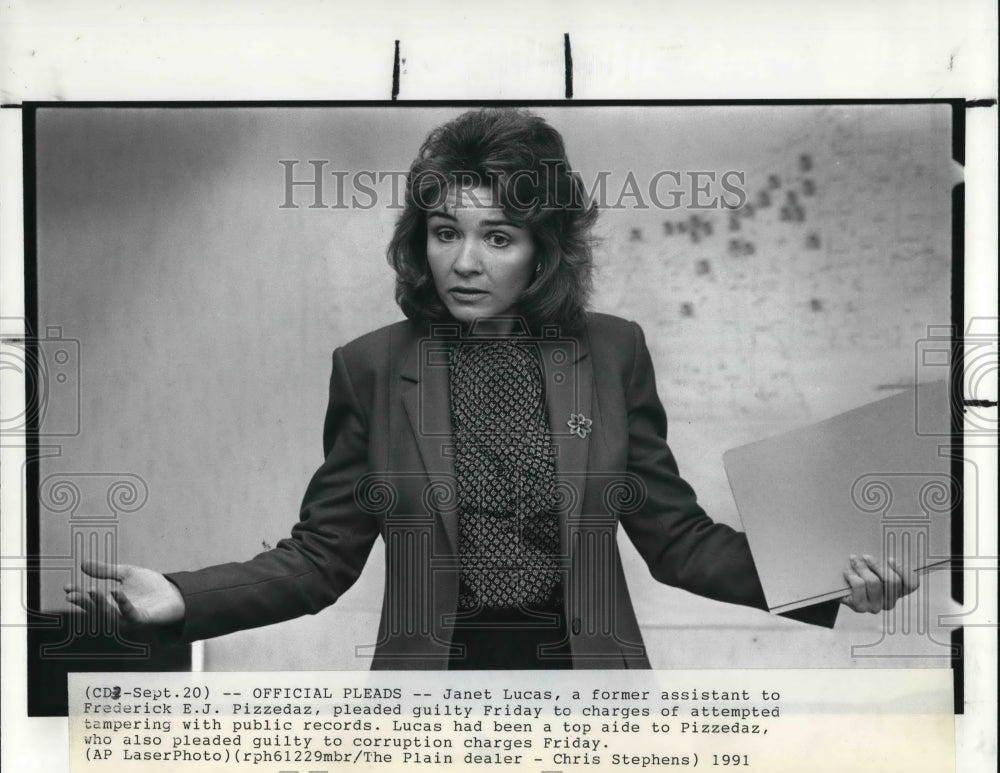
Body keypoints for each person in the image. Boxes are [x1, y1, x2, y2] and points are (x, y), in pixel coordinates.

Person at [66, 108, 918, 669]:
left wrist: (826, 579)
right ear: (420, 240)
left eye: (497, 236)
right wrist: (183, 596)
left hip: (593, 692)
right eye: (445, 232)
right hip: (430, 696)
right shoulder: (370, 367)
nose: (464, 262)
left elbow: (678, 540)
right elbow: (321, 557)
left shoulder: (612, 352)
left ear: (543, 251)